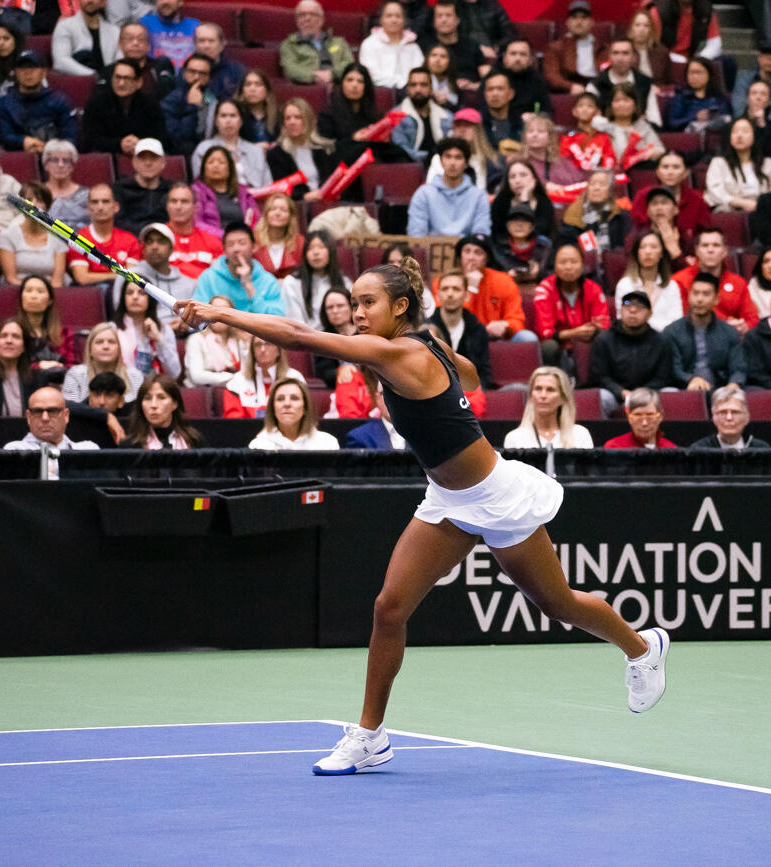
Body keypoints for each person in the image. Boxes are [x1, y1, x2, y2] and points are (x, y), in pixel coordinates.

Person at [180, 259, 670, 773]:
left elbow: (300, 336)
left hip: (496, 495)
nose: (357, 312)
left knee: (557, 604)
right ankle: (370, 736)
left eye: (368, 303)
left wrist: (222, 314)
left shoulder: (397, 353)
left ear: (400, 308)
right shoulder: (428, 341)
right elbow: (475, 378)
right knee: (389, 608)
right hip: (447, 499)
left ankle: (642, 648)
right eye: (354, 301)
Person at [588, 290, 673, 416]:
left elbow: (663, 376)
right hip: (615, 395)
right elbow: (600, 376)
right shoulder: (604, 339)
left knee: (671, 393)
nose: (633, 310)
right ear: (620, 311)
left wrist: (641, 393)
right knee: (601, 397)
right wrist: (622, 392)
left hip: (650, 393)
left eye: (640, 306)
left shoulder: (661, 341)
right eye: (627, 305)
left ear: (649, 314)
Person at [534, 242, 610, 373]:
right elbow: (545, 332)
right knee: (548, 346)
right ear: (555, 266)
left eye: (574, 262)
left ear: (582, 265)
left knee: (604, 338)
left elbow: (603, 324)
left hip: (587, 339)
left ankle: (598, 382)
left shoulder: (593, 288)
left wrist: (588, 331)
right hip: (557, 343)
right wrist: (575, 333)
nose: (568, 267)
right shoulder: (545, 289)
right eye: (563, 262)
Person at [663, 272, 746, 391]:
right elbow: (673, 369)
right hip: (683, 389)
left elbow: (738, 368)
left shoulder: (729, 332)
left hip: (721, 390)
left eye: (706, 294)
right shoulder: (672, 331)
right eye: (695, 293)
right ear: (689, 296)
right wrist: (690, 379)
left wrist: (734, 384)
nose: (700, 299)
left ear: (716, 299)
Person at [111, 223, 197, 330]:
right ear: (143, 249)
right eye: (149, 242)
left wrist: (187, 327)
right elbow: (122, 315)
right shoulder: (129, 276)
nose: (154, 247)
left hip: (184, 338)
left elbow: (196, 319)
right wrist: (164, 329)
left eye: (161, 241)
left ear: (171, 249)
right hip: (140, 336)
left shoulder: (188, 284)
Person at [675, 227, 758, 335]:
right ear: (697, 251)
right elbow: (677, 317)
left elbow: (752, 320)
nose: (710, 250)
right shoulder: (679, 281)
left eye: (716, 245)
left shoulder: (738, 283)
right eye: (705, 245)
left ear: (724, 251)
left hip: (730, 342)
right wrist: (724, 325)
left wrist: (743, 327)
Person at [80, 58, 170, 156]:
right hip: (106, 155)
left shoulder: (150, 104)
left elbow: (162, 138)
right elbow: (90, 140)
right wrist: (119, 144)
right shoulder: (97, 103)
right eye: (117, 78)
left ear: (139, 82)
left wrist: (140, 144)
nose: (121, 83)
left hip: (143, 156)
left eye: (126, 78)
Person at [0, 49, 78, 152]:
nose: (28, 72)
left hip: (57, 157)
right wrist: (23, 141)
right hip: (20, 156)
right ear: (15, 73)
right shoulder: (4, 103)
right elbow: (4, 136)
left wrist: (49, 148)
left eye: (33, 67)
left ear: (44, 72)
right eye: (22, 68)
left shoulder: (60, 100)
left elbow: (71, 137)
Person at [426, 268, 496, 391]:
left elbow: (483, 373)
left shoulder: (478, 329)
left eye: (456, 289)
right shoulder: (424, 330)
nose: (450, 293)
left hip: (471, 395)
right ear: (437, 295)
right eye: (445, 289)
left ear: (467, 295)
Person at [193, 221, 284, 315]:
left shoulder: (268, 281)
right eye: (230, 244)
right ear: (224, 250)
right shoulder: (209, 278)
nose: (236, 249)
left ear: (254, 247)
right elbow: (198, 315)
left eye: (242, 243)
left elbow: (277, 320)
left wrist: (249, 287)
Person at [407, 137, 491, 237]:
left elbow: (481, 233)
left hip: (466, 250)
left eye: (458, 157)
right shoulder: (423, 194)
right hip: (431, 250)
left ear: (466, 163)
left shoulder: (479, 196)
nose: (452, 163)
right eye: (448, 157)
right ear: (441, 161)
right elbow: (416, 234)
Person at [4, 386, 100, 474]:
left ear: (66, 416)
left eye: (52, 411)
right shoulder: (14, 450)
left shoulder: (88, 449)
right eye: (38, 411)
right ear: (29, 417)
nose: (45, 418)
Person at [629, 151, 710, 249]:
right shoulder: (643, 196)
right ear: (657, 172)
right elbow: (637, 231)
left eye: (676, 167)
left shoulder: (697, 199)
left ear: (685, 173)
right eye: (665, 167)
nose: (670, 172)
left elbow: (704, 234)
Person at [66, 183, 142, 286]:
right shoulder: (78, 239)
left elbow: (131, 278)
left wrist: (95, 276)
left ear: (116, 207)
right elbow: (82, 278)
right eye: (95, 202)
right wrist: (118, 276)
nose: (100, 207)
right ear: (88, 208)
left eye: (105, 201)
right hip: (91, 294)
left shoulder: (130, 240)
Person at [503, 365, 593, 448]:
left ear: (563, 398)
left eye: (550, 390)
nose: (543, 395)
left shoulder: (580, 434)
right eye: (538, 389)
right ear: (531, 396)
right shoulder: (514, 438)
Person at [0, 182, 68, 286]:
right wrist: (32, 291)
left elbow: (57, 282)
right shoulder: (7, 236)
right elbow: (11, 278)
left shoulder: (57, 238)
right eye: (29, 200)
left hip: (50, 293)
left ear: (47, 206)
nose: (33, 204)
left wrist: (43, 294)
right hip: (16, 291)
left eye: (39, 200)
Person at [268, 97, 338, 201]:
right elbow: (280, 189)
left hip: (324, 203)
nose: (292, 122)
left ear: (308, 120)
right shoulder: (277, 154)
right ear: (284, 124)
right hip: (296, 206)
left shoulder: (323, 150)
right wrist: (305, 196)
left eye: (298, 117)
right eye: (288, 118)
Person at [191, 99, 272, 189]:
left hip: (256, 200)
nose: (228, 121)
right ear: (216, 121)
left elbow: (268, 186)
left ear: (241, 121)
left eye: (233, 116)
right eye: (223, 116)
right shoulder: (203, 149)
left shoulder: (256, 151)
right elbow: (200, 187)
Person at [704, 117, 771, 213]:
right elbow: (716, 192)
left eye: (745, 131)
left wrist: (760, 205)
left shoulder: (768, 164)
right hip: (731, 211)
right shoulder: (719, 163)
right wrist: (743, 203)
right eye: (735, 132)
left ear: (754, 136)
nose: (739, 135)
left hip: (763, 211)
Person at [277, 230, 347, 330]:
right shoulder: (292, 283)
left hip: (338, 339)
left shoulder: (344, 282)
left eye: (321, 247)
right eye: (310, 248)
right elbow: (294, 322)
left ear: (331, 251)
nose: (316, 252)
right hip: (305, 339)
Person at [223, 332, 305, 417]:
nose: (262, 349)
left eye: (268, 344)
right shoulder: (237, 381)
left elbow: (302, 415)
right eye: (258, 344)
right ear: (252, 351)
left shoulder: (294, 378)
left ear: (279, 350)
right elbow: (233, 421)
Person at [614, 231, 682, 331]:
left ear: (662, 252)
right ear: (637, 252)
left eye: (653, 247)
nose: (648, 252)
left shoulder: (671, 286)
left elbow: (676, 323)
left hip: (664, 342)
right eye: (642, 247)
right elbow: (623, 319)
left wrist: (644, 324)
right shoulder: (625, 285)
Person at [561, 170, 631, 267]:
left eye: (602, 184)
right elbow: (565, 245)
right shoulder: (573, 213)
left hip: (613, 266)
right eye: (592, 184)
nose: (596, 188)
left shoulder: (619, 215)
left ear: (610, 190)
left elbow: (625, 247)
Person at [247, 377, 339, 450]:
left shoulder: (327, 443)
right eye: (280, 399)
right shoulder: (258, 446)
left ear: (305, 407)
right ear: (273, 408)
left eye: (294, 398)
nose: (287, 404)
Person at [61, 321, 142, 403]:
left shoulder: (135, 376)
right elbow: (71, 409)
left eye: (111, 342)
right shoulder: (76, 374)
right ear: (90, 350)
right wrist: (105, 416)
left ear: (119, 350)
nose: (105, 346)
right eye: (99, 342)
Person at [587, 39, 660, 128]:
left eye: (625, 53)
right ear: (609, 56)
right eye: (616, 53)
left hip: (638, 135)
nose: (620, 58)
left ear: (634, 56)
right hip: (605, 135)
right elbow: (589, 120)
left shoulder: (645, 83)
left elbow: (655, 120)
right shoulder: (595, 85)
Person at [192, 143, 261, 235]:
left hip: (242, 241)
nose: (215, 166)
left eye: (221, 162)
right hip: (210, 242)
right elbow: (196, 222)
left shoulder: (243, 193)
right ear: (204, 167)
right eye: (210, 162)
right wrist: (225, 236)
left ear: (230, 167)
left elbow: (256, 221)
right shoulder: (196, 192)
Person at [416, 0, 488, 87]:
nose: (444, 20)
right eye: (439, 16)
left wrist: (474, 86)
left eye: (448, 15)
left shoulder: (471, 45)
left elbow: (487, 77)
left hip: (470, 94)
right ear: (434, 22)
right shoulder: (424, 46)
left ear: (457, 20)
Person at [13, 275, 76, 374]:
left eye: (40, 291)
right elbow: (9, 366)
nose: (33, 296)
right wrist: (39, 366)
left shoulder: (64, 333)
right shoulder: (12, 331)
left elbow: (73, 367)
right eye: (29, 291)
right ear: (21, 298)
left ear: (50, 300)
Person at [281, 0, 354, 85]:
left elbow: (349, 63)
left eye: (313, 14)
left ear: (321, 19)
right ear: (297, 20)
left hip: (340, 86)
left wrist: (332, 74)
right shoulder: (289, 44)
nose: (307, 18)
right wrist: (314, 76)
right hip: (307, 87)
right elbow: (290, 69)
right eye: (302, 15)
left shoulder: (339, 42)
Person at [122, 374, 202, 449]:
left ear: (175, 404)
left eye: (161, 397)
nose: (153, 405)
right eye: (147, 398)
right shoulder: (129, 446)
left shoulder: (194, 440)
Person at [393, 67, 453, 164]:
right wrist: (429, 157)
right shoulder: (396, 116)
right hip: (411, 165)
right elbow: (401, 148)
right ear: (407, 89)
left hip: (442, 166)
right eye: (413, 85)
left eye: (423, 85)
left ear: (431, 89)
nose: (418, 89)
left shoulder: (446, 116)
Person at [102, 20, 176, 99]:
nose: (135, 43)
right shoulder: (110, 71)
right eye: (129, 39)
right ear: (120, 44)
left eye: (141, 39)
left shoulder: (160, 67)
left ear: (149, 46)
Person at [544, 0, 605, 95]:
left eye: (584, 18)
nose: (579, 22)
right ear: (567, 22)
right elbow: (551, 76)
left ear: (592, 22)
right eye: (574, 17)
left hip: (597, 89)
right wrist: (570, 86)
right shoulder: (556, 48)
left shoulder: (602, 48)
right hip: (569, 91)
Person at [164, 181, 222, 280]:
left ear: (195, 207)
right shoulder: (155, 238)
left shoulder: (213, 243)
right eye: (174, 201)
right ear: (167, 206)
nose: (178, 207)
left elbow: (219, 280)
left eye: (184, 201)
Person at [596, 84, 663, 168]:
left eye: (626, 100)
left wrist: (641, 152)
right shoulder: (602, 126)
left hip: (637, 171)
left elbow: (658, 150)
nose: (622, 104)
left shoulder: (642, 126)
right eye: (617, 100)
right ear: (610, 105)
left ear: (635, 104)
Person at [183, 294, 245, 387]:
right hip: (203, 392)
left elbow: (247, 372)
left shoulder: (239, 341)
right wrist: (232, 378)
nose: (218, 315)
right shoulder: (196, 339)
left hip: (234, 390)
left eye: (223, 310)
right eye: (214, 309)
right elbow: (197, 376)